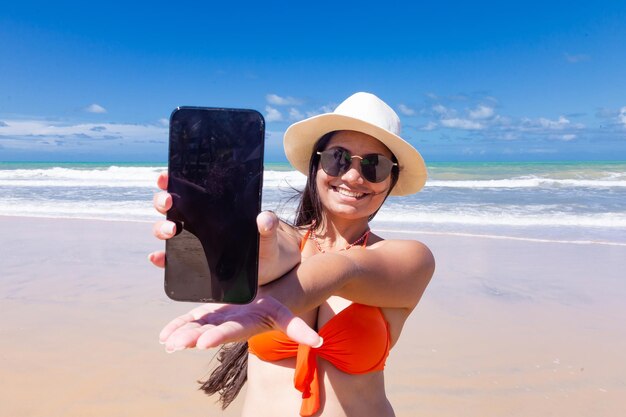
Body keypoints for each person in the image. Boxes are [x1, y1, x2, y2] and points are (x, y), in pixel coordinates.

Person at [149, 92, 435, 417]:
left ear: (390, 180)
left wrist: (271, 307)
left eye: (374, 165)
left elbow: (345, 268)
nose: (354, 176)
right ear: (316, 165)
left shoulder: (410, 258)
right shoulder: (284, 238)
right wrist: (210, 227)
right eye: (338, 158)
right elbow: (272, 248)